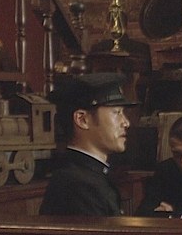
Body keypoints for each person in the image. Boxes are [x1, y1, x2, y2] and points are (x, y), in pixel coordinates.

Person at [40, 72, 137, 216]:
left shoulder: (89, 176)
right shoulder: (78, 186)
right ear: (82, 120)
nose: (126, 122)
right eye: (116, 112)